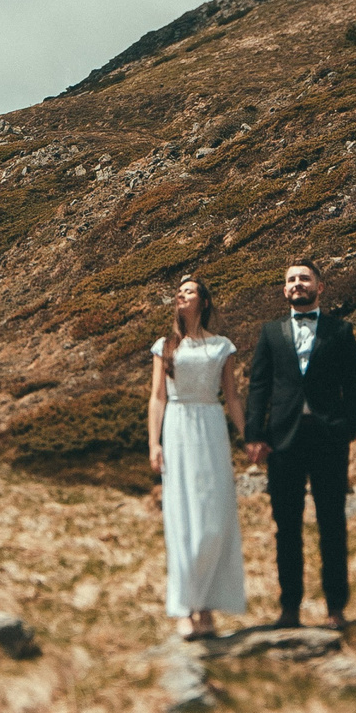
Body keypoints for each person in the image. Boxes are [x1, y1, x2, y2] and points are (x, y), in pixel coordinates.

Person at [243, 259, 356, 629]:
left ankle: (335, 608)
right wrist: (254, 434)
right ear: (284, 290)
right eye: (291, 280)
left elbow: (354, 383)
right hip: (284, 440)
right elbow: (259, 387)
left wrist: (347, 428)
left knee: (332, 523)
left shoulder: (340, 331)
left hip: (329, 438)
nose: (298, 284)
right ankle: (289, 608)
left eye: (304, 279)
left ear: (319, 287)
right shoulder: (270, 333)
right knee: (287, 525)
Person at [146, 274, 246, 639]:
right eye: (179, 291)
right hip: (177, 427)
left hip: (211, 425)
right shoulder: (165, 345)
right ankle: (187, 608)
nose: (181, 295)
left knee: (213, 519)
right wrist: (154, 443)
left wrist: (248, 436)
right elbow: (157, 396)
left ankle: (208, 604)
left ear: (203, 302)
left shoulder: (222, 346)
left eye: (189, 291)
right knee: (182, 518)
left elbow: (232, 397)